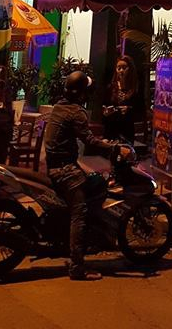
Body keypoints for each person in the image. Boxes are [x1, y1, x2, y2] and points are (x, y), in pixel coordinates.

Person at [44, 71, 130, 281]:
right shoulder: (76, 112)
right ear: (82, 93)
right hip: (65, 170)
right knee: (79, 212)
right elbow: (89, 140)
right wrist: (114, 147)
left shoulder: (59, 107)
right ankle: (77, 267)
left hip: (57, 165)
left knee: (96, 181)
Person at [102, 55, 142, 144]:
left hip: (127, 129)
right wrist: (106, 111)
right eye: (118, 68)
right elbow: (104, 107)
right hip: (111, 129)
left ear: (130, 69)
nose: (121, 71)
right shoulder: (111, 87)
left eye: (124, 68)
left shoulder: (135, 88)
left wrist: (129, 109)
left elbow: (141, 110)